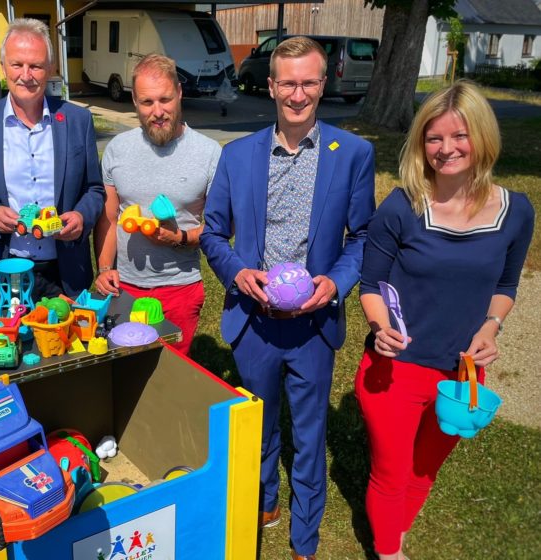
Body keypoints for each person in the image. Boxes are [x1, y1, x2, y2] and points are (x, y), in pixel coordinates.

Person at [200, 37, 376, 560]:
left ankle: (305, 536)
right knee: (258, 421)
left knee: (309, 430)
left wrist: (336, 284)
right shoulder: (237, 157)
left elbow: (363, 237)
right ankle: (265, 498)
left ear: (323, 85)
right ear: (270, 85)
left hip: (313, 327)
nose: (297, 94)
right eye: (288, 83)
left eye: (309, 82)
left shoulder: (354, 155)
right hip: (253, 321)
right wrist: (238, 274)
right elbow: (212, 233)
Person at [355, 80, 534, 560]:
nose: (446, 148)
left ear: (482, 138)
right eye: (434, 138)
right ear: (421, 143)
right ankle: (389, 552)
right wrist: (378, 328)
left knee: (425, 469)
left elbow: (506, 286)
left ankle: (395, 531)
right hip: (395, 368)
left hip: (462, 374)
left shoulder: (516, 212)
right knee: (391, 473)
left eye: (460, 136)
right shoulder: (401, 207)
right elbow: (370, 285)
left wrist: (490, 328)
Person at [0, 18, 105, 308]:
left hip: (65, 269)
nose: (26, 75)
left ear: (49, 68)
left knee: (70, 348)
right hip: (3, 267)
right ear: (3, 67)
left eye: (35, 66)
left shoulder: (77, 121)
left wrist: (82, 217)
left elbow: (94, 189)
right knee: (11, 347)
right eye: (17, 64)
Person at [94, 53, 220, 355]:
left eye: (165, 99)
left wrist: (180, 239)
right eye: (147, 102)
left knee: (171, 375)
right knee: (124, 370)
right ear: (134, 102)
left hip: (180, 288)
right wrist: (103, 267)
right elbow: (109, 219)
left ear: (179, 93)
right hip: (124, 287)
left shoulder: (210, 153)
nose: (158, 111)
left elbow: (219, 229)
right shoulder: (117, 150)